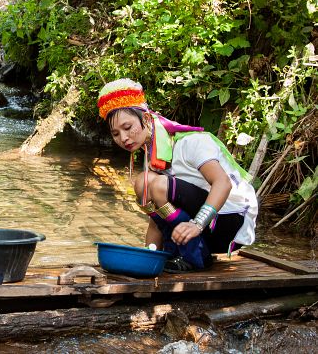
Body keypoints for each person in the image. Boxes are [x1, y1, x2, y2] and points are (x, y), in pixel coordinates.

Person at [97, 79, 258, 273]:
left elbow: (223, 184)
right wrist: (149, 257)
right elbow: (156, 222)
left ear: (146, 119)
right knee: (144, 183)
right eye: (116, 133)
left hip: (230, 223)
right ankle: (178, 254)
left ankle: (194, 256)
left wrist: (197, 225)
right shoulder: (153, 156)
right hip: (202, 229)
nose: (123, 138)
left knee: (154, 184)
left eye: (128, 127)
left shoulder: (191, 142)